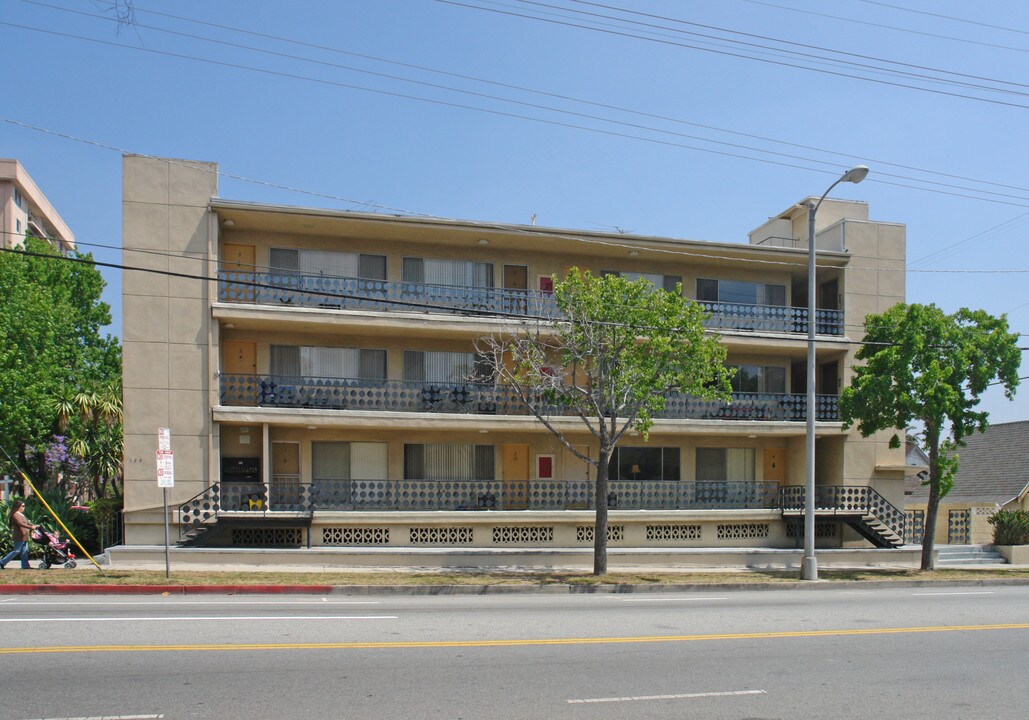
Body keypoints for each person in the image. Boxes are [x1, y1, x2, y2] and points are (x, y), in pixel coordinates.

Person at [0, 500, 37, 569]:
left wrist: (34, 525)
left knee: (24, 552)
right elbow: (20, 523)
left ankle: (25, 566)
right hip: (19, 536)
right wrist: (30, 527)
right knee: (16, 551)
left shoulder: (21, 514)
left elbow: (27, 522)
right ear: (18, 506)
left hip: (24, 536)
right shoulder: (15, 515)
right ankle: (2, 562)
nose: (24, 507)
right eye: (22, 506)